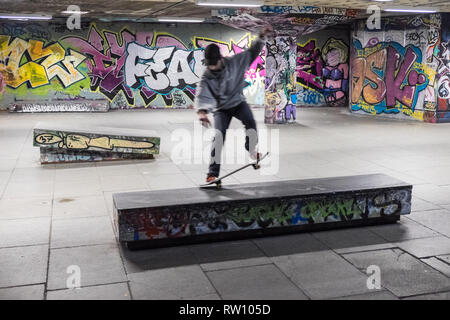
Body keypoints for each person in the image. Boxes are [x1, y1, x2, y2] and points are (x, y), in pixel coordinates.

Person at [195, 25, 272, 183]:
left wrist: (261, 37)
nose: (211, 68)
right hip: (221, 109)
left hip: (238, 102)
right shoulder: (207, 75)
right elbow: (202, 92)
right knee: (218, 137)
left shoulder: (235, 62)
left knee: (251, 123)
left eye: (214, 64)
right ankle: (212, 173)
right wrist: (202, 111)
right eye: (209, 65)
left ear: (220, 59)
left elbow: (252, 53)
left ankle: (251, 149)